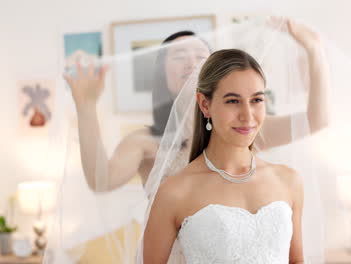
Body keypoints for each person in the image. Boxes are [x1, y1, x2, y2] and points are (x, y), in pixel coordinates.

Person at [63, 18, 328, 193]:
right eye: (179, 56)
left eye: (200, 56)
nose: (191, 63)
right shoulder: (144, 143)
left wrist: (314, 50)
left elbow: (317, 120)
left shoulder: (242, 127)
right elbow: (101, 181)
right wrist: (86, 107)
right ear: (162, 74)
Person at [143, 48, 305, 263]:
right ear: (205, 104)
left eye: (256, 100)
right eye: (232, 101)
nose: (248, 116)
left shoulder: (288, 180)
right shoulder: (174, 192)